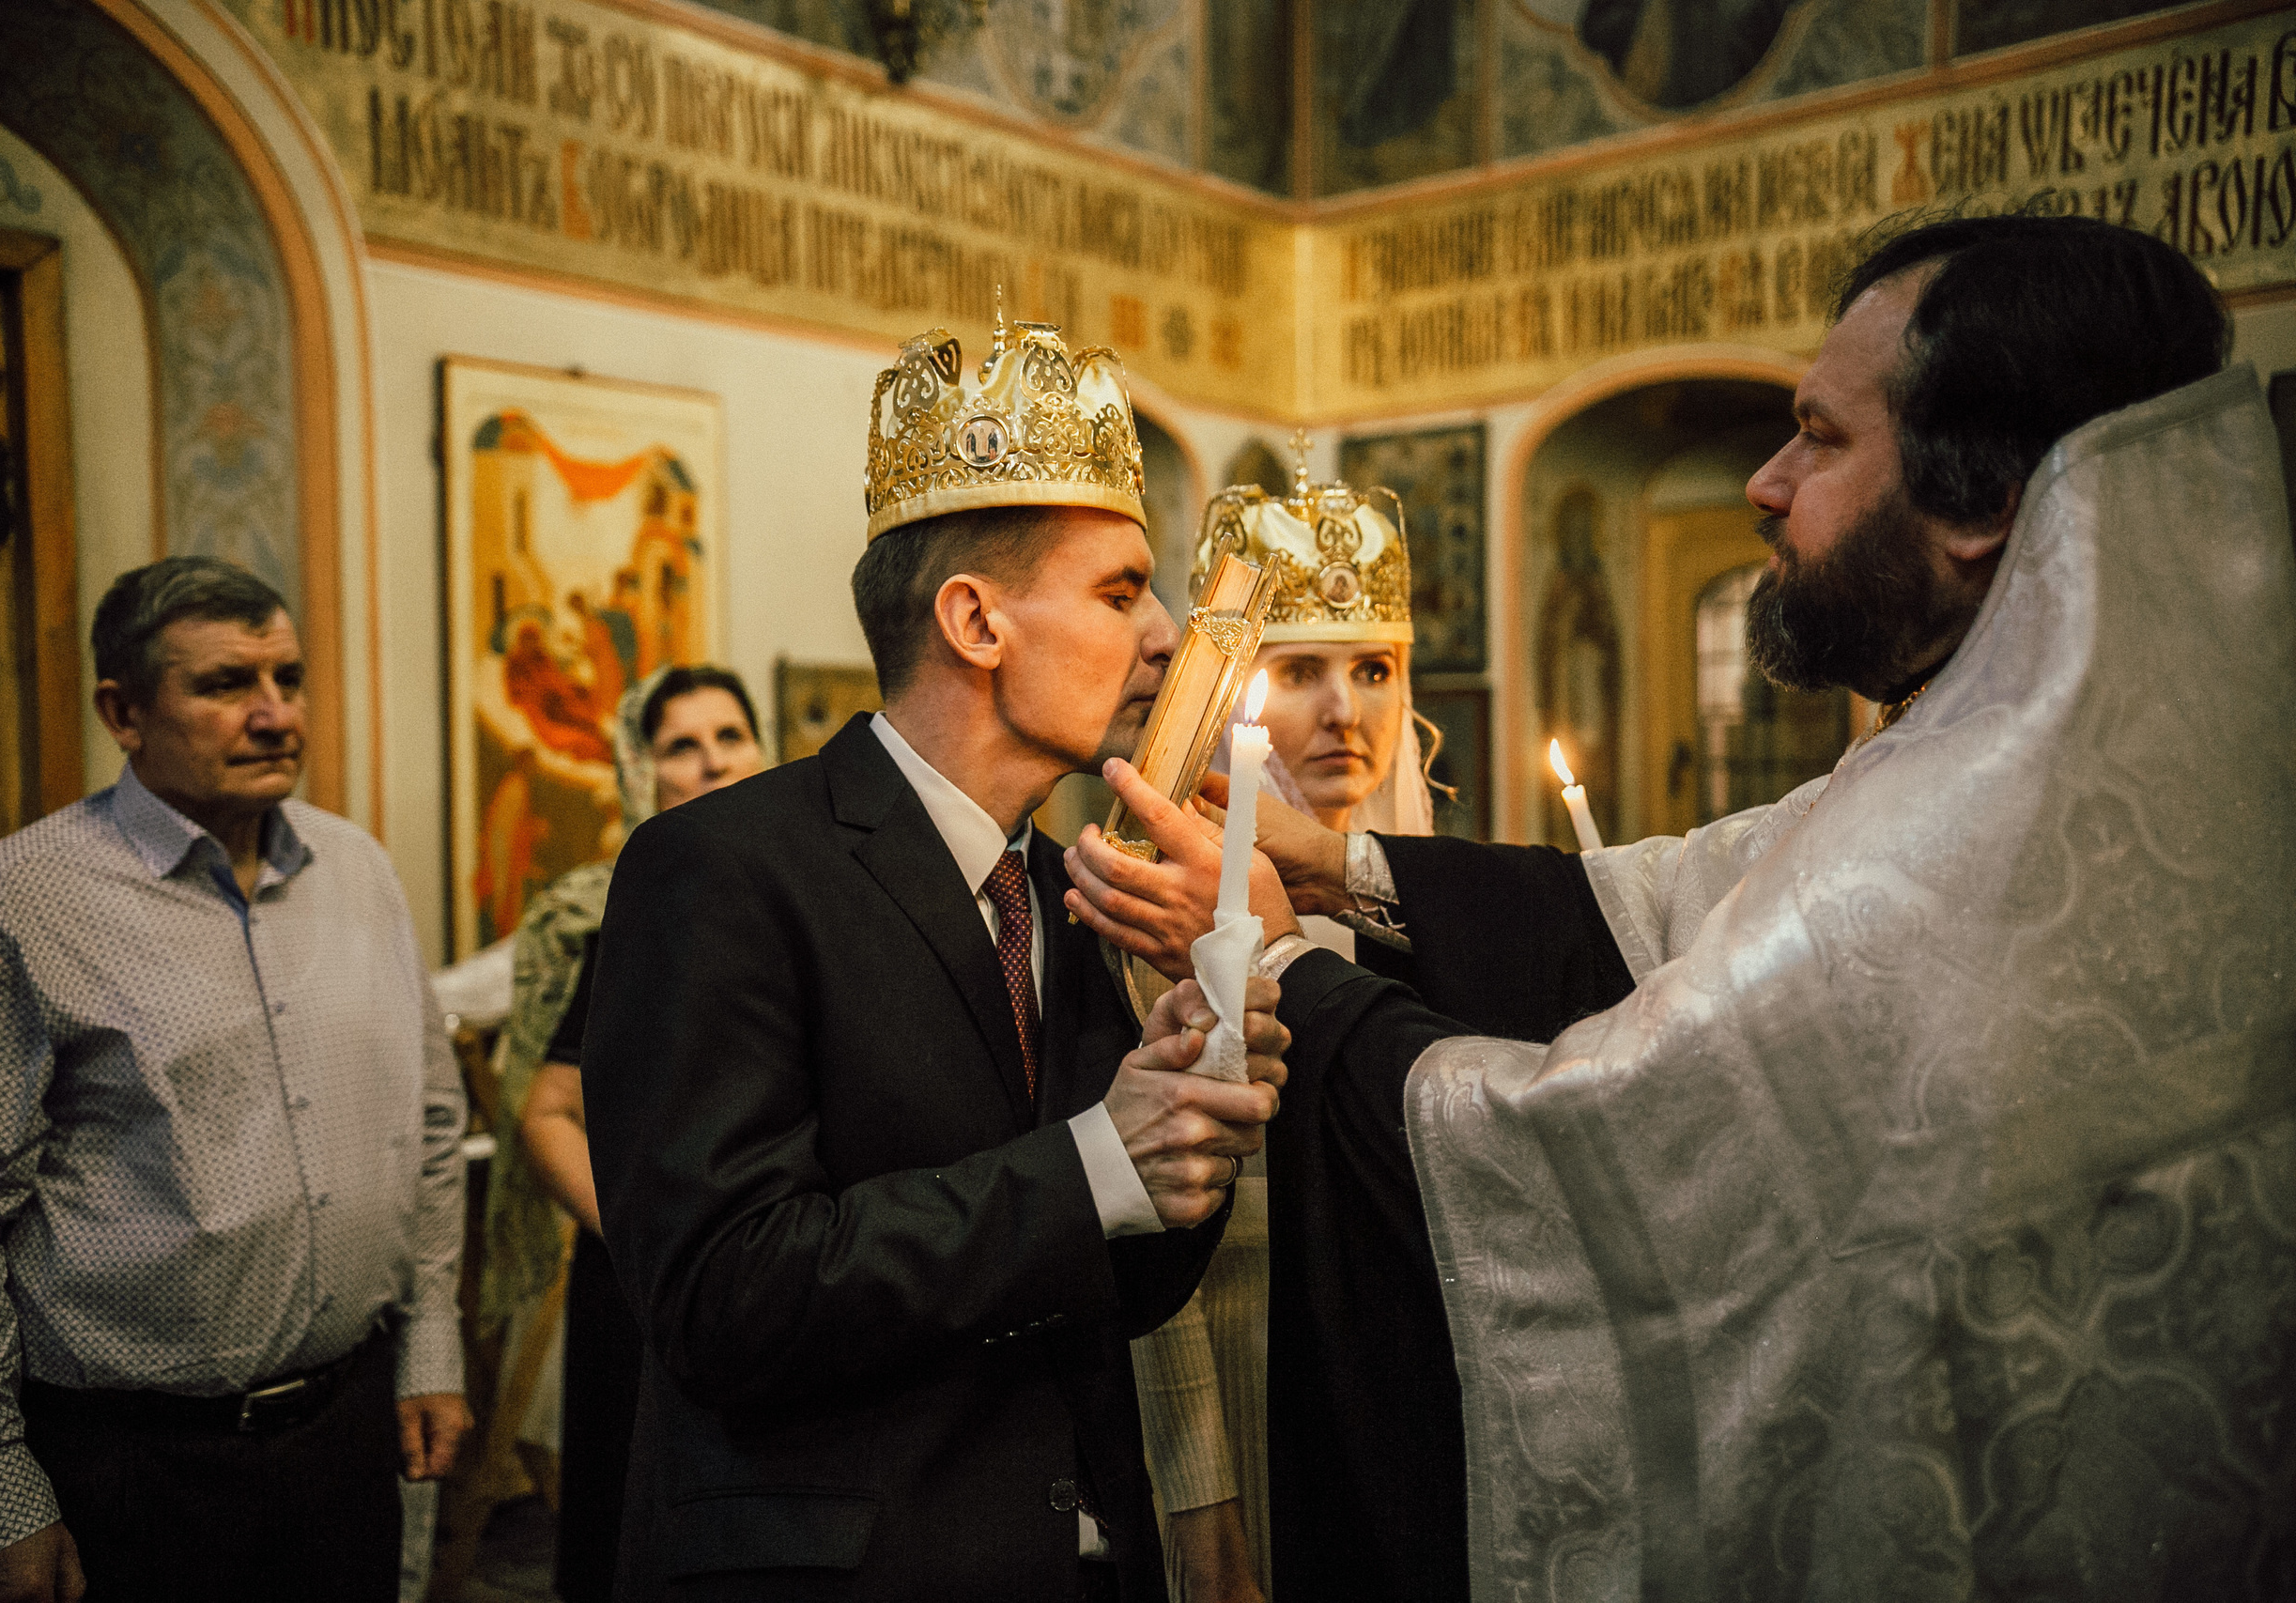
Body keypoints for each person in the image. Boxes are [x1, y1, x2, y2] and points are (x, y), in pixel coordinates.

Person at [1068, 211, 2295, 1599]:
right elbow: (1677, 890)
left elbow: (1594, 1150)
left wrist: (1283, 959)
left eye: (1822, 439)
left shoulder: (1969, 833)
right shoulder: (2069, 754)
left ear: (1980, 504)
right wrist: (1334, 866)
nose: (1765, 484)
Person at [581, 314, 1297, 1602]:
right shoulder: (723, 866)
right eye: (1122, 590)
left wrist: (1195, 1113)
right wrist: (1098, 1158)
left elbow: (1107, 1283)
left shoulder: (1045, 884)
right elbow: (721, 1294)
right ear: (974, 619)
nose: (1167, 637)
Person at [0, 556, 470, 1602]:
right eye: (224, 686)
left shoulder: (360, 872)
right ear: (123, 709)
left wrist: (429, 1338)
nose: (274, 714)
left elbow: (428, 1121)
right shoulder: (9, 909)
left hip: (344, 1437)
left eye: (288, 680)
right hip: (130, 1467)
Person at [1129, 460, 1439, 1603]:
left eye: (1374, 668)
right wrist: (1202, 1513)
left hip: (1409, 1374)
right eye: (1298, 671)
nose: (1345, 712)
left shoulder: (1437, 908)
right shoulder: (1156, 907)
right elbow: (1150, 1260)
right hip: (1246, 1369)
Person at [487, 664, 766, 1603]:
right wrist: (649, 1238)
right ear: (644, 773)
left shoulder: (820, 891)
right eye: (681, 746)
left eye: (729, 735)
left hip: (786, 1272)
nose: (713, 761)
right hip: (647, 1280)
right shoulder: (617, 912)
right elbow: (547, 1110)